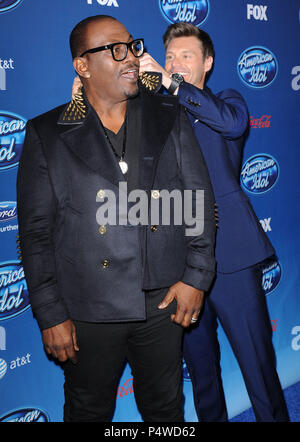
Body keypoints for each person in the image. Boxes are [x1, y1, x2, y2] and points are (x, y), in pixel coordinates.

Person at [16, 16, 216, 422]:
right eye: (115, 49)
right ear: (82, 65)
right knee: (88, 411)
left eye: (132, 45)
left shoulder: (167, 113)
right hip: (87, 311)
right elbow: (36, 236)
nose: (131, 58)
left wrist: (196, 276)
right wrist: (51, 313)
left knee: (166, 411)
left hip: (163, 302)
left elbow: (197, 198)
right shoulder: (48, 133)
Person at [138, 22, 290, 422]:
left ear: (208, 62)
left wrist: (172, 83)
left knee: (258, 367)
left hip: (232, 257)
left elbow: (233, 124)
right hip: (178, 264)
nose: (175, 63)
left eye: (185, 56)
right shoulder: (155, 114)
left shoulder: (226, 100)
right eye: (169, 56)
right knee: (202, 375)